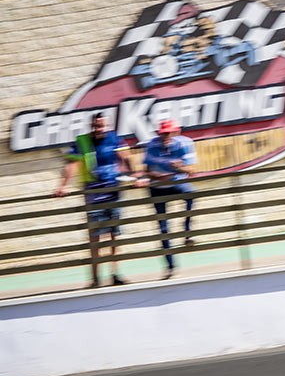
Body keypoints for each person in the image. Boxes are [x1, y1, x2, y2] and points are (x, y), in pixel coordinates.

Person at [54, 112, 135, 288]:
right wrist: (63, 185)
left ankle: (115, 274)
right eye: (97, 126)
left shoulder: (114, 138)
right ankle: (95, 278)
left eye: (102, 126)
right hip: (93, 194)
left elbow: (126, 158)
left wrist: (135, 177)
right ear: (92, 126)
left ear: (107, 126)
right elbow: (72, 164)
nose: (100, 129)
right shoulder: (82, 141)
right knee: (95, 237)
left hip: (113, 192)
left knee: (114, 235)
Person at [143, 119, 196, 278]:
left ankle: (187, 230)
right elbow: (146, 171)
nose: (166, 136)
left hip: (175, 183)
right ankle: (170, 266)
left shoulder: (184, 143)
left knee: (191, 194)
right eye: (163, 133)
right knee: (163, 228)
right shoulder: (152, 145)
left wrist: (179, 167)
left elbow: (191, 171)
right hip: (158, 187)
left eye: (168, 133)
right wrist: (157, 176)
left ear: (174, 132)